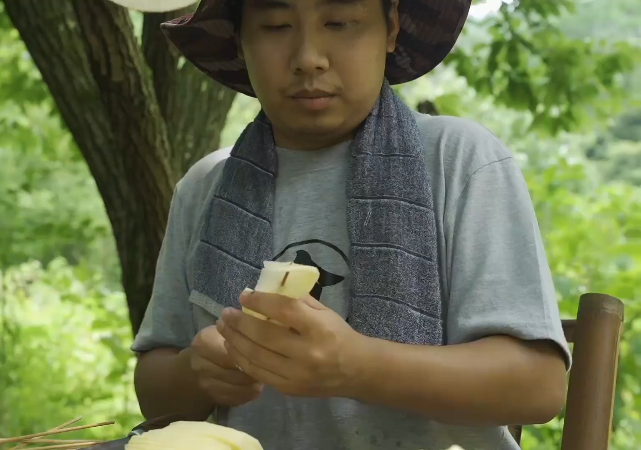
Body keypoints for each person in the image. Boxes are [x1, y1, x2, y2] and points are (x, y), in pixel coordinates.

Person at [130, 0, 571, 448]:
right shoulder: (206, 188)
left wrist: (357, 365)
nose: (308, 58)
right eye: (276, 25)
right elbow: (155, 391)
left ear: (391, 27)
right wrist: (196, 372)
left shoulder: (458, 161)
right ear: (240, 42)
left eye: (339, 22)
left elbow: (539, 386)